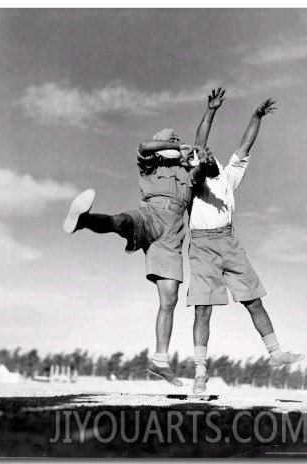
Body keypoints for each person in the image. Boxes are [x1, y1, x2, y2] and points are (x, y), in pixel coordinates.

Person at [63, 130, 212, 386]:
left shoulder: (187, 172)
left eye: (176, 138)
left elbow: (198, 175)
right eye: (171, 138)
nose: (176, 140)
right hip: (149, 217)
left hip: (171, 238)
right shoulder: (151, 165)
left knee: (170, 300)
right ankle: (83, 221)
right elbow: (144, 145)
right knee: (121, 221)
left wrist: (203, 161)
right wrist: (176, 145)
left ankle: (160, 361)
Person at [187, 89, 305, 394]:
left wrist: (256, 116)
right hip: (201, 246)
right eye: (205, 155)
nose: (209, 156)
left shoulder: (228, 177)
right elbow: (199, 143)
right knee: (203, 309)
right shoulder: (197, 179)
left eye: (212, 155)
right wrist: (211, 111)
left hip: (229, 242)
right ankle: (200, 373)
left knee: (253, 300)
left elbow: (246, 144)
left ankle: (276, 354)